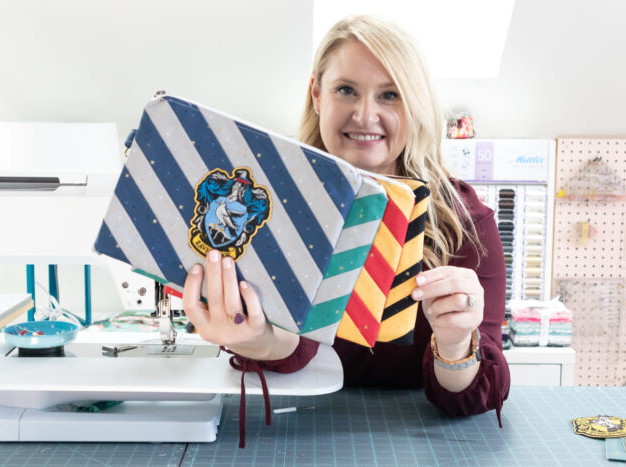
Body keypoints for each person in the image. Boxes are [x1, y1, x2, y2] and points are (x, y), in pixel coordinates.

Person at [182, 14, 510, 433]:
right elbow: (289, 347)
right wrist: (254, 336)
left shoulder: (467, 225)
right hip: (294, 430)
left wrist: (455, 343)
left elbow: (473, 395)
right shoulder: (265, 207)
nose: (364, 115)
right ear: (317, 94)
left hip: (417, 435)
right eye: (346, 90)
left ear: (416, 107)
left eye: (390, 95)